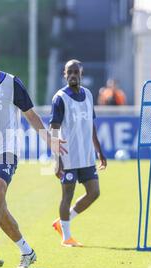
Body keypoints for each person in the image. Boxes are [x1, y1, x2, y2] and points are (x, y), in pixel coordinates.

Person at [0, 41, 67, 268]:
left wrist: (49, 141)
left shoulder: (12, 83)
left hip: (7, 149)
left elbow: (30, 115)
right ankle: (27, 251)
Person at [50, 59, 107, 247]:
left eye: (76, 71)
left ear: (81, 74)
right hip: (68, 157)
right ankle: (66, 237)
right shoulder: (60, 98)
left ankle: (62, 222)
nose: (73, 75)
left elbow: (91, 125)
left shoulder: (89, 95)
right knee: (67, 195)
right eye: (69, 72)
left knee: (94, 192)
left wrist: (99, 151)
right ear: (64, 75)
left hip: (87, 156)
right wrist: (57, 159)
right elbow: (54, 129)